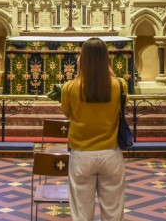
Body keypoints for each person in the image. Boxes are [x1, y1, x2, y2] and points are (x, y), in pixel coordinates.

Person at [60, 38, 126, 220]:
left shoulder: (69, 88)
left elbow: (67, 113)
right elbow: (123, 107)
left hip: (81, 155)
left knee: (81, 213)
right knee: (113, 212)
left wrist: (81, 73)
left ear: (82, 59)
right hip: (110, 154)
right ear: (106, 59)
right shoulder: (119, 84)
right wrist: (107, 70)